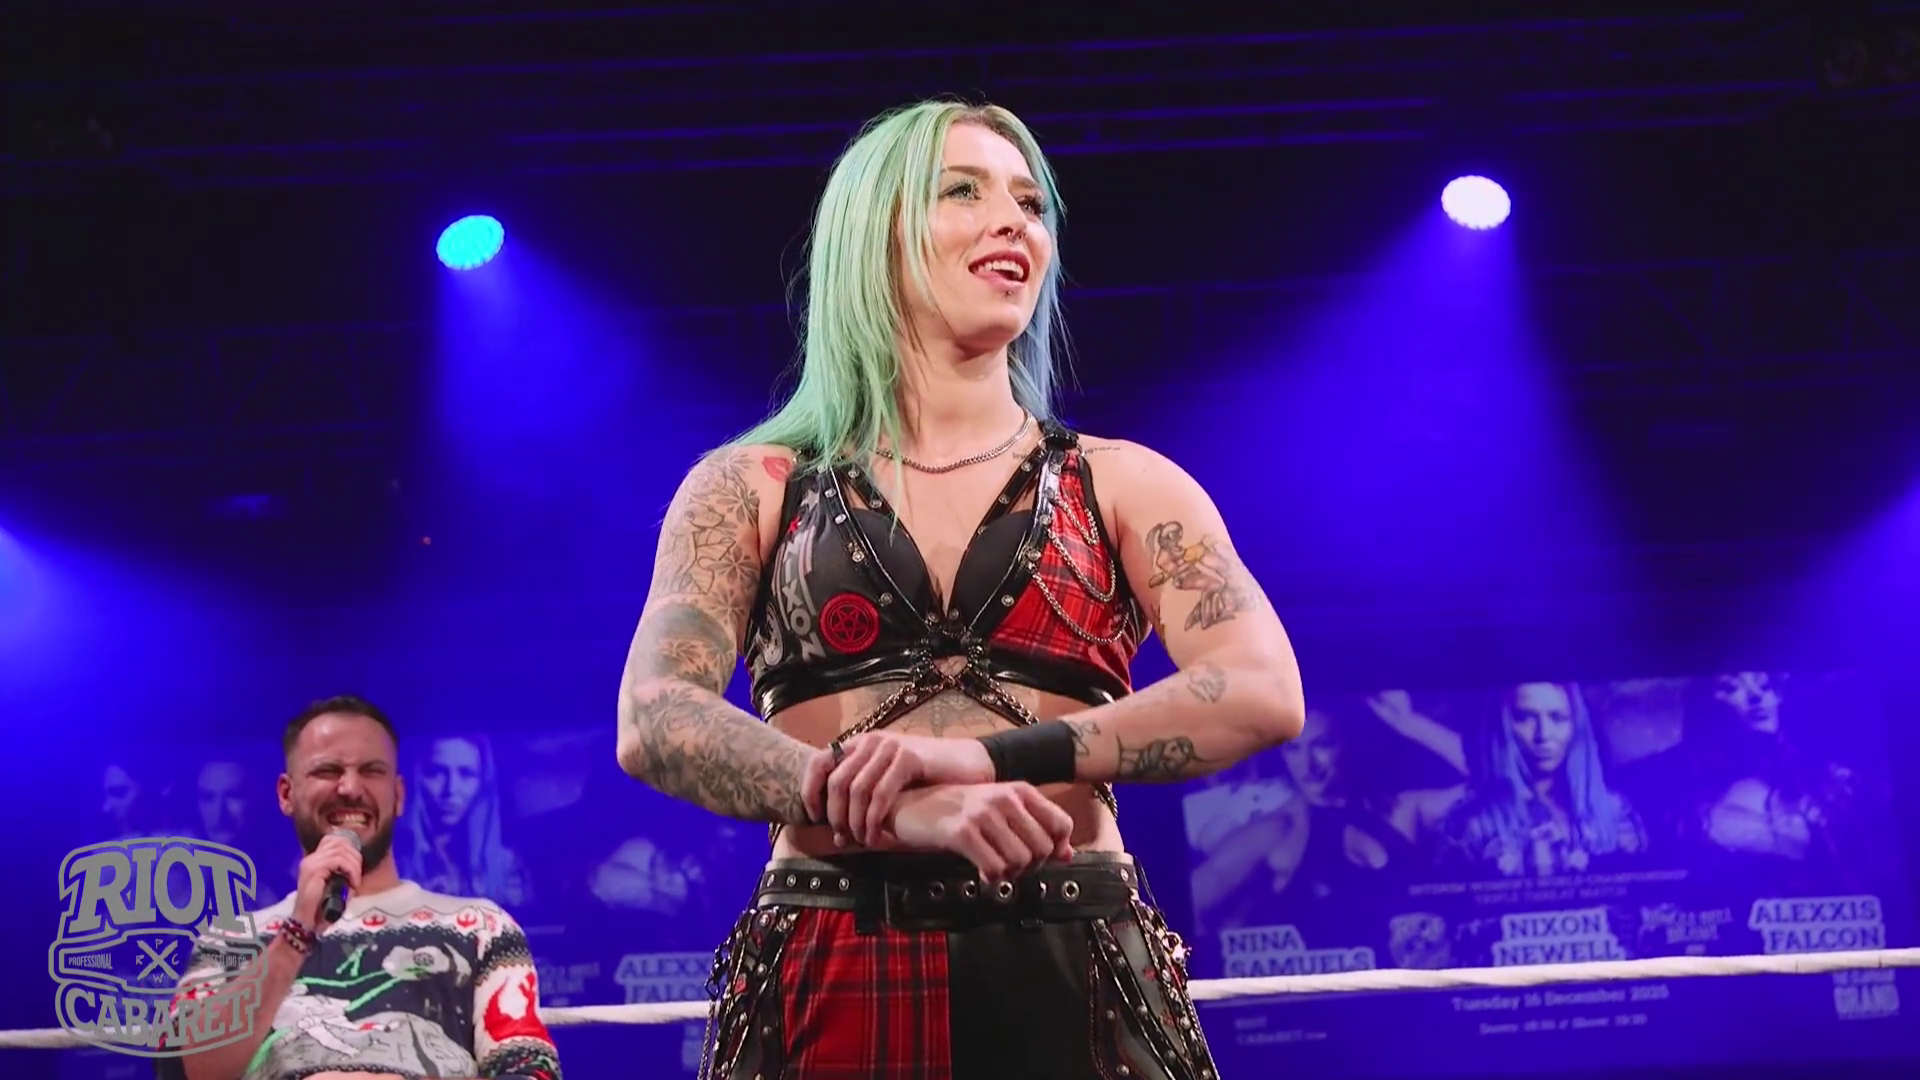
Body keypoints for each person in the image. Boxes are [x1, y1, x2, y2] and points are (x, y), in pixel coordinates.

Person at [616, 98, 1305, 1080]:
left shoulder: (1123, 481)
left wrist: (983, 763)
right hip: (836, 941)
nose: (1013, 221)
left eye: (1030, 203)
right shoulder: (754, 486)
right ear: (876, 232)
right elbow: (655, 714)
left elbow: (1262, 689)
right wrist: (893, 808)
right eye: (965, 192)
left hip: (1075, 942)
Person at [169, 696, 563, 1080]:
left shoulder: (480, 927)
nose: (350, 788)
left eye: (371, 771)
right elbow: (186, 1070)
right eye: (327, 771)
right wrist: (297, 932)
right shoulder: (231, 939)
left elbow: (529, 1068)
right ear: (287, 795)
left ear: (399, 796)